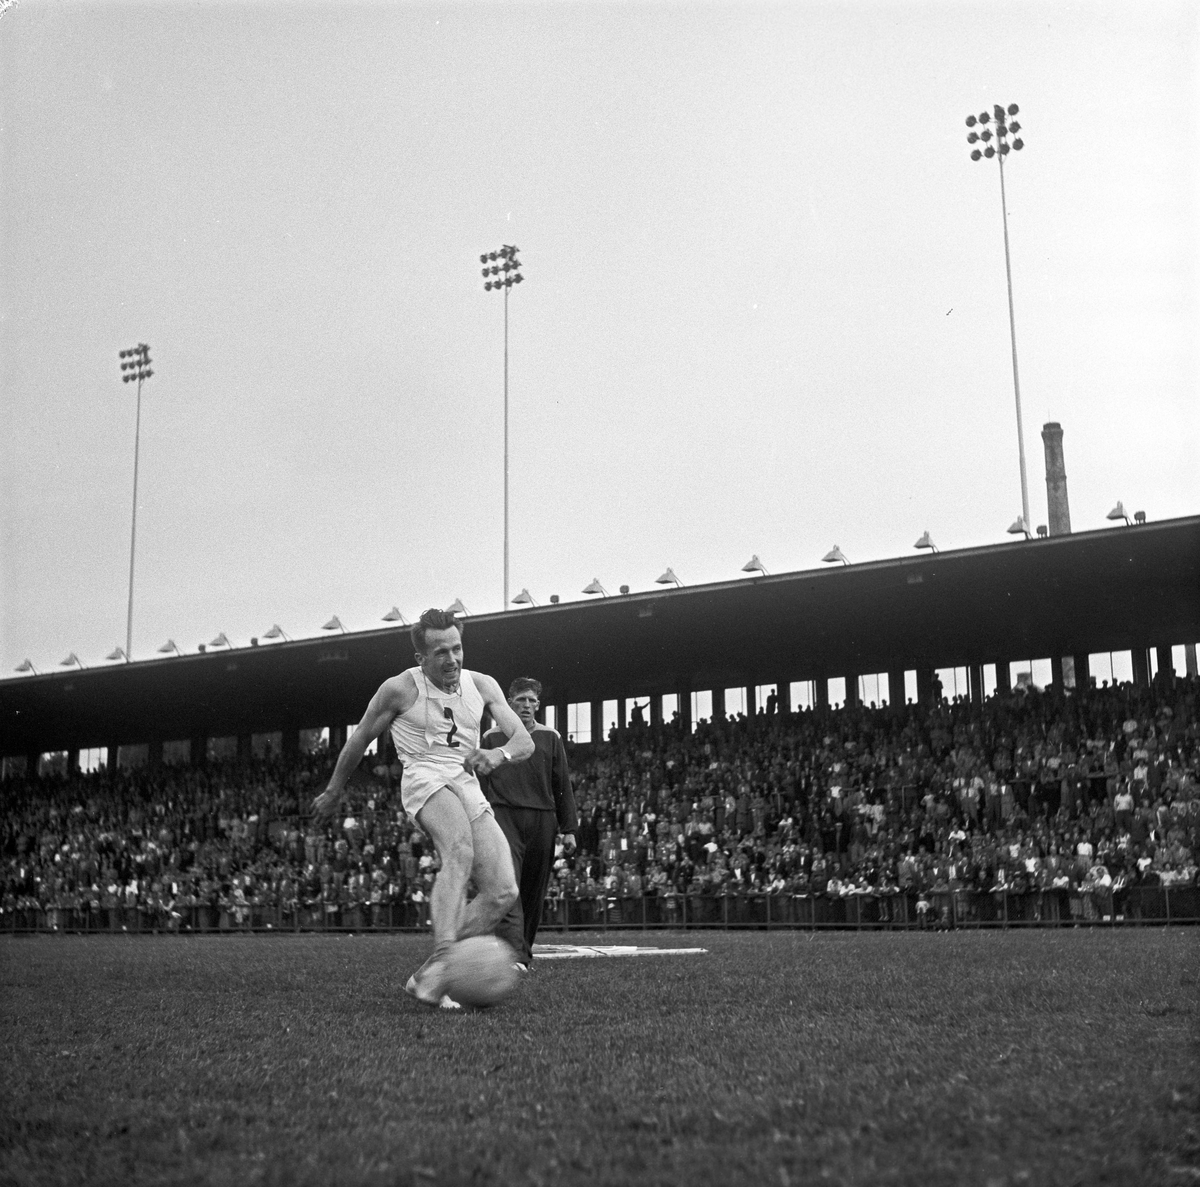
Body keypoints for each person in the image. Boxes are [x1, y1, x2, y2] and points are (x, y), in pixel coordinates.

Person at [311, 608, 531, 1008]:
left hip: (465, 780)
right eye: (441, 652)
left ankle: (428, 976)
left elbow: (523, 741)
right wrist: (333, 790)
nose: (452, 659)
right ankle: (447, 957)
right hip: (424, 777)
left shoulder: (482, 685)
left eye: (457, 648)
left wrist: (496, 755)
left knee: (502, 890)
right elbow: (358, 739)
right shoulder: (399, 689)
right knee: (459, 850)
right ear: (421, 659)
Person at [481, 678, 578, 970]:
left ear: (538, 704)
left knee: (534, 890)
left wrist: (570, 829)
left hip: (542, 819)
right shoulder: (491, 737)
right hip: (504, 816)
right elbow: (482, 782)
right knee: (508, 885)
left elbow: (562, 785)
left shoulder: (551, 737)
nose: (526, 705)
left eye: (532, 700)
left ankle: (523, 950)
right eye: (521, 699)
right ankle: (514, 956)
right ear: (509, 702)